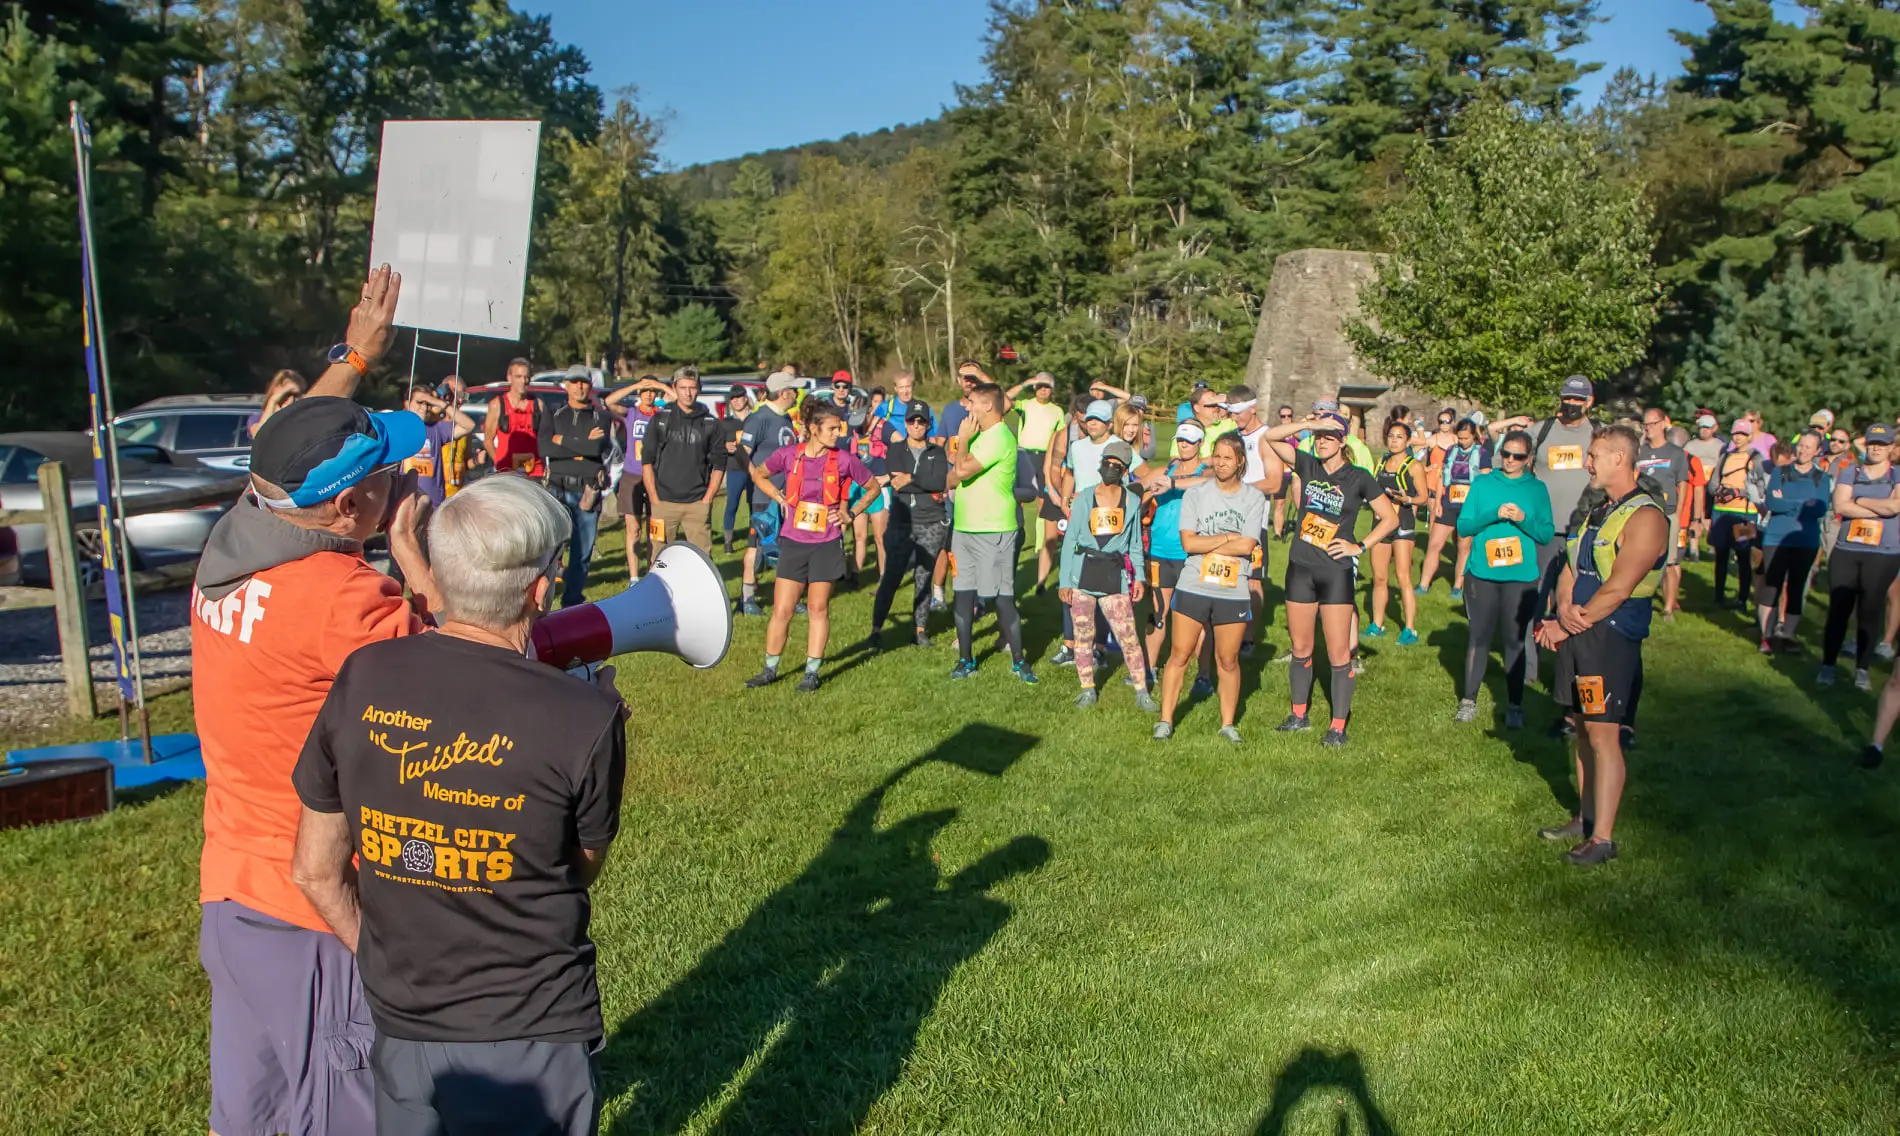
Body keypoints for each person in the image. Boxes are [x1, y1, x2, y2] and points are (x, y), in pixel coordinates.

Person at [288, 475, 625, 1136]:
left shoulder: (363, 676)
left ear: (439, 575)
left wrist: (385, 961)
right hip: (531, 1029)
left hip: (402, 1025)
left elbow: (315, 871)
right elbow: (579, 868)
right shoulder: (586, 716)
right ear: (539, 590)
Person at [191, 264, 435, 1136]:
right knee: (343, 1111)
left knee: (251, 1114)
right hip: (314, 910)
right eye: (386, 471)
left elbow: (281, 459)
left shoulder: (236, 540)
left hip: (234, 893)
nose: (400, 476)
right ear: (350, 506)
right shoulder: (344, 600)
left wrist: (355, 357)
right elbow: (456, 678)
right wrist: (412, 558)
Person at [1533, 426, 1668, 867]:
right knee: (1582, 726)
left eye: (1593, 455)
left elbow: (1620, 586)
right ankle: (1586, 816)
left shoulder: (1646, 517)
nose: (1586, 463)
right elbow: (1572, 565)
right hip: (1581, 633)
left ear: (1619, 458)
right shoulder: (1598, 511)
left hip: (1609, 637)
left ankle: (1603, 838)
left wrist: (1570, 624)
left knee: (1604, 732)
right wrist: (1563, 609)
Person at [1260, 412, 1398, 747]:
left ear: (1343, 441)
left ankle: (1337, 727)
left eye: (1329, 436)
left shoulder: (1359, 477)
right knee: (1301, 648)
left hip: (1335, 571)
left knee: (1338, 653)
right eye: (1318, 436)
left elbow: (1390, 518)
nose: (1321, 442)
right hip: (1301, 567)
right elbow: (1271, 437)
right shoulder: (1308, 465)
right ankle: (1298, 715)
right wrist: (1307, 425)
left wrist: (1359, 546)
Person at [745, 401, 879, 691]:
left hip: (826, 543)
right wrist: (778, 497)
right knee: (782, 609)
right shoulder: (789, 455)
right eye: (832, 428)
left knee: (818, 608)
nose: (838, 433)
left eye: (839, 428)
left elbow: (873, 487)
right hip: (794, 542)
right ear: (814, 429)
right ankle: (769, 669)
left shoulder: (844, 460)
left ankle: (811, 673)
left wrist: (850, 513)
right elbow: (758, 473)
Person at [1154, 432, 1264, 742]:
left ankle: (1227, 724)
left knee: (1228, 660)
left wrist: (1210, 543)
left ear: (1240, 462)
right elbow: (1189, 543)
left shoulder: (1253, 497)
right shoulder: (1196, 494)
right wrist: (1228, 538)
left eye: (1228, 458)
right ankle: (1165, 720)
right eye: (1217, 456)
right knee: (1180, 654)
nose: (1221, 462)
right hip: (1193, 585)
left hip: (1233, 588)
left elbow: (1247, 545)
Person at [1490, 375, 1600, 684]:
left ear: (1590, 401)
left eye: (1578, 399)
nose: (1571, 404)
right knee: (1532, 601)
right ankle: (1527, 672)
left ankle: (1574, 673)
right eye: (1567, 398)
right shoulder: (1542, 430)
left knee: (1579, 606)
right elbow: (1504, 458)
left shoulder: (1598, 433)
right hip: (1542, 533)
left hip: (1585, 533)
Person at [1454, 429, 1554, 726]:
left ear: (1528, 458)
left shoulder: (1536, 489)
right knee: (1479, 637)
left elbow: (1546, 533)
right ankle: (1468, 700)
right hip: (1482, 574)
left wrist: (1523, 519)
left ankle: (1515, 705)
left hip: (1520, 577)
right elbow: (1464, 526)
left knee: (1515, 640)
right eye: (1505, 454)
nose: (1509, 460)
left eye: (1517, 456)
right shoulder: (1483, 483)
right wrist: (1494, 513)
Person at [947, 383, 1037, 683]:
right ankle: (966, 659)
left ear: (988, 406)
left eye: (971, 401)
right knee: (962, 595)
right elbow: (953, 477)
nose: (966, 407)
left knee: (1002, 598)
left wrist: (962, 441)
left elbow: (961, 472)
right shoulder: (980, 437)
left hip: (994, 529)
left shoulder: (998, 436)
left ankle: (1020, 661)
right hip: (964, 528)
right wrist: (961, 455)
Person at [1060, 440, 1156, 711]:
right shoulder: (1084, 497)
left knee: (1129, 637)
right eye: (1107, 463)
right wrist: (1065, 581)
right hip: (1082, 573)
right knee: (1083, 636)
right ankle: (1087, 689)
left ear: (1125, 471)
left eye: (1117, 465)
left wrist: (1139, 578)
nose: (1110, 468)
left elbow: (1134, 544)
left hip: (1115, 575)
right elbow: (1070, 540)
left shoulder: (1132, 502)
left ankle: (1142, 691)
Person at [1820, 423, 1900, 690]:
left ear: (1891, 447)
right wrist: (1881, 508)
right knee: (1838, 609)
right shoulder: (1850, 471)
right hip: (1847, 550)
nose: (1876, 449)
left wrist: (1860, 501)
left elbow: (1896, 506)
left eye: (1882, 444)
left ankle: (1862, 669)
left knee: (1870, 611)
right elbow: (1840, 505)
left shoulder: (1897, 474)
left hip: (1883, 553)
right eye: (1872, 444)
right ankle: (1828, 666)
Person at [870, 401, 952, 650]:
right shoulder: (896, 449)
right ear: (905, 424)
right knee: (891, 577)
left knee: (923, 578)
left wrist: (912, 478)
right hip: (902, 522)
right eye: (912, 420)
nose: (916, 425)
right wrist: (917, 481)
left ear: (928, 424)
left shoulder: (937, 452)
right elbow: (896, 482)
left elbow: (939, 482)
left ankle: (920, 630)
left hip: (931, 521)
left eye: (921, 421)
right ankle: (876, 629)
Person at [1142, 421, 1213, 694]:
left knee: (1200, 617)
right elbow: (1137, 492)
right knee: (1157, 613)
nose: (1184, 445)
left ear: (1200, 443)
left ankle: (1203, 676)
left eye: (1189, 441)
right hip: (1160, 551)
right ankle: (1148, 670)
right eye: (1180, 440)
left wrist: (1172, 483)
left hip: (1192, 554)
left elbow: (1209, 483)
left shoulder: (1205, 471)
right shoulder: (1165, 469)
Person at [1048, 400, 1119, 666]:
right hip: (1079, 522)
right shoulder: (1077, 447)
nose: (1093, 423)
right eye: (1090, 419)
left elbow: (1140, 477)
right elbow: (1069, 473)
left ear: (1109, 423)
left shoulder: (1118, 447)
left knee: (1101, 586)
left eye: (1098, 419)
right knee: (1071, 580)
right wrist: (1066, 501)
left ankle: (1098, 647)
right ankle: (1070, 646)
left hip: (1106, 525)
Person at [539, 365, 615, 608]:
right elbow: (545, 448)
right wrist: (582, 445)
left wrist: (563, 441)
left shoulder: (601, 416)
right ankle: (542, 600)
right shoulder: (554, 412)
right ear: (566, 385)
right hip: (557, 489)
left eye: (583, 382)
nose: (579, 386)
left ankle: (571, 603)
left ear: (590, 386)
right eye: (574, 382)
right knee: (549, 551)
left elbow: (595, 449)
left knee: (581, 554)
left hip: (586, 491)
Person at [734, 374, 803, 615]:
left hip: (788, 496)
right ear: (783, 392)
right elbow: (742, 453)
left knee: (790, 546)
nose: (797, 394)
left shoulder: (785, 418)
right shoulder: (759, 418)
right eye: (793, 390)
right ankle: (748, 598)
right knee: (756, 545)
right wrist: (758, 478)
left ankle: (790, 597)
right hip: (765, 497)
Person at [1757, 431, 1830, 653]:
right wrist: (1802, 504)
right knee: (1772, 586)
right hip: (1776, 538)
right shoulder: (1780, 472)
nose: (1803, 451)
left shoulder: (1821, 477)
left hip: (1805, 540)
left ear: (1817, 451)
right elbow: (1772, 503)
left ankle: (1788, 635)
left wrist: (1788, 502)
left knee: (1796, 588)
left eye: (1809, 447)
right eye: (1801, 446)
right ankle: (1766, 636)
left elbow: (1819, 508)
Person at [641, 368, 722, 550]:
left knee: (701, 558)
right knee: (659, 556)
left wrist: (707, 499)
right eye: (683, 388)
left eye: (692, 388)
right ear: (674, 388)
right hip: (663, 503)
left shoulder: (711, 423)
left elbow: (719, 465)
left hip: (697, 503)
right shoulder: (660, 419)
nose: (688, 393)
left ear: (699, 389)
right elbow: (646, 461)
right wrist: (654, 498)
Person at [605, 374, 668, 579]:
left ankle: (652, 573)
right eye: (645, 391)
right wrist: (635, 386)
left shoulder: (661, 414)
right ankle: (633, 577)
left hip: (656, 477)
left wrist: (658, 384)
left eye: (652, 391)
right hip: (632, 476)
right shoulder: (631, 413)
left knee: (654, 531)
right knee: (633, 530)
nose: (649, 394)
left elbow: (678, 398)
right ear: (639, 393)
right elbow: (609, 402)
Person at [1367, 421, 1424, 645]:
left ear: (1407, 441)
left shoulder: (1414, 466)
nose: (1394, 440)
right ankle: (1377, 624)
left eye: (1399, 437)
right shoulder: (1381, 462)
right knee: (1379, 577)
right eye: (1391, 436)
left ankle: (1409, 629)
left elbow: (1423, 497)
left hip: (1403, 523)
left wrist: (1407, 499)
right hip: (1380, 524)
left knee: (1403, 577)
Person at [1418, 418, 1489, 597]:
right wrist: (1438, 503)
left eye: (1466, 438)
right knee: (1434, 544)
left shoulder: (1482, 453)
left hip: (1469, 507)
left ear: (1474, 436)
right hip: (1448, 504)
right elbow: (1442, 477)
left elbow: (1485, 482)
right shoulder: (1451, 451)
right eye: (1460, 438)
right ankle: (1423, 584)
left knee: (1463, 547)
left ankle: (1457, 586)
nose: (1462, 441)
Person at [1009, 373, 1066, 589]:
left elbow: (1060, 436)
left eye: (1047, 387)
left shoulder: (1057, 411)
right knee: (1020, 499)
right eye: (1040, 386)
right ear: (1035, 387)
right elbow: (1005, 399)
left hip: (1045, 456)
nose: (1043, 390)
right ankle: (1015, 534)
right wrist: (1025, 383)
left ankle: (1042, 546)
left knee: (1044, 501)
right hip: (1024, 454)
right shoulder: (1025, 405)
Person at [1635, 408, 1692, 619]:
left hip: (1667, 513)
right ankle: (1640, 601)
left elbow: (1683, 483)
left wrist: (1679, 510)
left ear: (1662, 425)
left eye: (1651, 424)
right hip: (1643, 512)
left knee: (1670, 562)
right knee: (1641, 560)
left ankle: (1668, 608)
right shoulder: (1639, 452)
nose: (1647, 428)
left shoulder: (1675, 453)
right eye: (1645, 424)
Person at [1709, 419, 1769, 610]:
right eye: (1736, 434)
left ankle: (1742, 599)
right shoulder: (1725, 456)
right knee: (1721, 556)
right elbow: (1713, 482)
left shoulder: (1756, 459)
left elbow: (1761, 487)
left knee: (1743, 557)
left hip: (1744, 515)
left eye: (1742, 434)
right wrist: (1719, 491)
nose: (1738, 437)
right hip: (1721, 512)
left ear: (1750, 437)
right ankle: (1718, 597)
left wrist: (1738, 492)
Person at [400, 384, 477, 506]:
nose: (424, 407)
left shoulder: (436, 428)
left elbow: (469, 425)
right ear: (407, 403)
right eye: (419, 402)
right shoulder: (400, 427)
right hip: (405, 500)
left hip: (434, 502)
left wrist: (438, 402)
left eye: (428, 404)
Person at [483, 358, 544, 477]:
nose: (523, 381)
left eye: (526, 377)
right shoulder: (497, 404)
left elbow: (545, 438)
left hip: (534, 471)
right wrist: (499, 464)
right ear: (509, 378)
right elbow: (488, 441)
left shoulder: (538, 405)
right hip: (507, 473)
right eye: (518, 377)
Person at [1683, 413, 1724, 559]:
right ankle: (1693, 550)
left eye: (1707, 427)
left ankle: (1714, 546)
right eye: (1702, 427)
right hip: (1694, 486)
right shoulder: (1690, 446)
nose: (1704, 430)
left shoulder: (1720, 446)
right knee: (1693, 517)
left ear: (1714, 428)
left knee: (1711, 517)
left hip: (1713, 487)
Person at [717, 390, 752, 551]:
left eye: (739, 397)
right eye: (733, 399)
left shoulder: (755, 419)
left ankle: (754, 538)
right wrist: (725, 446)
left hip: (754, 468)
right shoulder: (726, 423)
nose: (736, 401)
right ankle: (728, 541)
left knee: (754, 505)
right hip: (735, 467)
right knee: (732, 503)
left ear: (746, 398)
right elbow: (716, 443)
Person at [250, 369, 308, 439]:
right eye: (287, 394)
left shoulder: (301, 418)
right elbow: (258, 436)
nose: (291, 398)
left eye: (295, 395)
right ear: (275, 390)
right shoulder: (256, 418)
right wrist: (273, 401)